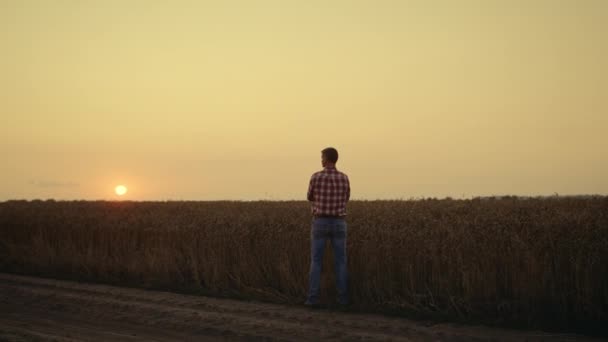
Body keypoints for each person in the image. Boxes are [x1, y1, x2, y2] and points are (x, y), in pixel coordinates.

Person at [305, 147, 350, 308]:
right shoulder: (344, 178)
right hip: (339, 222)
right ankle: (343, 300)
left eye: (322, 157)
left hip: (320, 222)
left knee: (316, 261)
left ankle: (312, 299)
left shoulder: (316, 176)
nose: (321, 160)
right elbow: (346, 198)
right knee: (341, 262)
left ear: (327, 159)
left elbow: (309, 196)